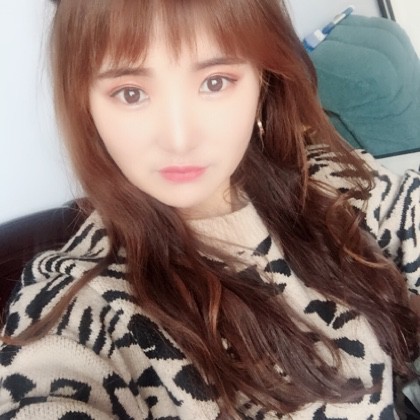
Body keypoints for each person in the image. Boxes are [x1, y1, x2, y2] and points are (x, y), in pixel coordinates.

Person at [0, 0, 419, 418]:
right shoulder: (82, 305)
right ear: (86, 103)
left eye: (215, 82)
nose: (179, 139)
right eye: (131, 93)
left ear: (263, 81)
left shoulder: (331, 183)